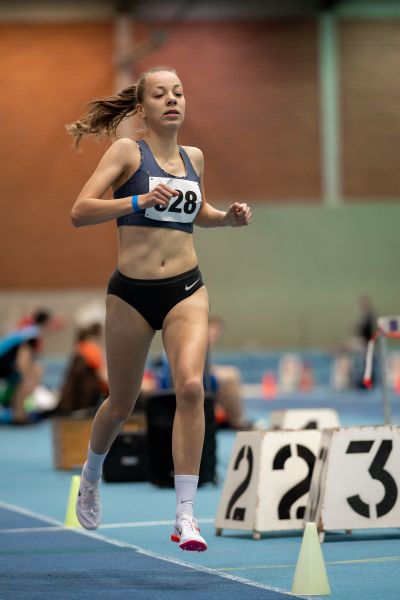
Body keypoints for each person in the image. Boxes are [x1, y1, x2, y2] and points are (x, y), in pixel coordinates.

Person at [66, 66, 252, 552]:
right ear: (142, 107)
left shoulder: (195, 157)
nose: (172, 100)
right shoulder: (128, 151)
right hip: (131, 293)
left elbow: (198, 212)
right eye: (160, 94)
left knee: (191, 386)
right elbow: (80, 211)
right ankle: (90, 474)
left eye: (179, 92)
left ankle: (186, 515)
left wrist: (226, 220)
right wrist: (137, 198)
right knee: (121, 403)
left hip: (186, 288)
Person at [0, 309, 54, 423]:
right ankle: (19, 416)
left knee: (19, 381)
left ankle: (19, 414)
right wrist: (27, 379)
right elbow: (23, 358)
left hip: (5, 363)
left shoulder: (30, 331)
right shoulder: (32, 335)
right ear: (47, 323)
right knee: (21, 382)